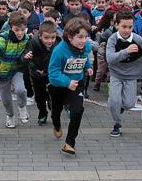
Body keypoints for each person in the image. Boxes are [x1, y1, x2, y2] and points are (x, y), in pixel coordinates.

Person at [106, 10, 142, 137]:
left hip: (132, 76)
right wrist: (126, 51)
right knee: (114, 101)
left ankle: (120, 109)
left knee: (129, 103)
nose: (127, 30)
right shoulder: (112, 39)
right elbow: (110, 58)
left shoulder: (137, 39)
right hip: (116, 75)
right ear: (116, 25)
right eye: (124, 26)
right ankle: (117, 124)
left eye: (130, 27)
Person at [48, 17, 93, 156]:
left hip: (77, 83)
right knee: (56, 110)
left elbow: (84, 59)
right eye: (80, 37)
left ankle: (69, 143)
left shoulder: (86, 47)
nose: (83, 40)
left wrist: (88, 67)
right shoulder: (59, 50)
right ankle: (56, 124)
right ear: (69, 36)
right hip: (58, 86)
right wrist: (67, 82)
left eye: (86, 36)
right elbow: (53, 73)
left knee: (77, 110)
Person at [0, 12, 30, 128]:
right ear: (11, 27)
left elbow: (30, 51)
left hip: (17, 70)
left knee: (21, 90)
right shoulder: (4, 37)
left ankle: (22, 107)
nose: (20, 33)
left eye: (22, 29)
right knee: (6, 100)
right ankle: (10, 116)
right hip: (2, 73)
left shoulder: (26, 39)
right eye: (17, 30)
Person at [22, 21, 61, 125]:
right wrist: (28, 59)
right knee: (39, 97)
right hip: (37, 73)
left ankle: (51, 102)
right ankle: (42, 113)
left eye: (52, 37)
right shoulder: (33, 42)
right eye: (46, 38)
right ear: (40, 36)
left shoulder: (58, 43)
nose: (50, 41)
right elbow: (25, 59)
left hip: (51, 72)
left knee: (54, 92)